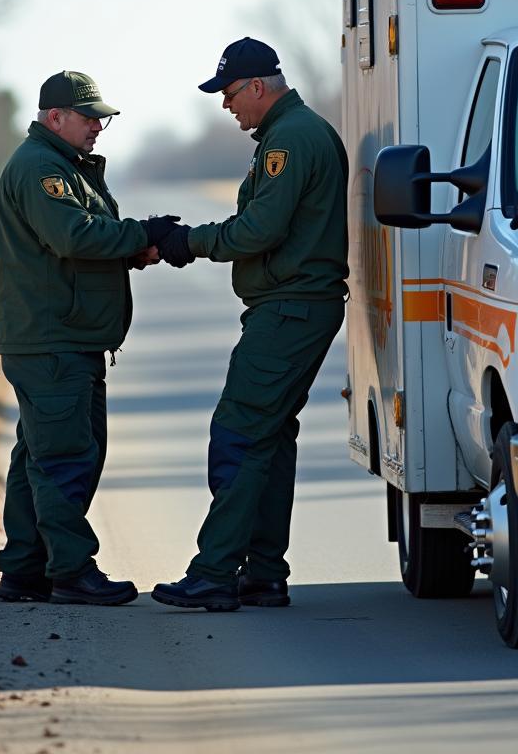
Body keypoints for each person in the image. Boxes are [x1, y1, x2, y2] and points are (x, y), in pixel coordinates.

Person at [151, 38, 349, 611]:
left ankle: (214, 573)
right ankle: (262, 572)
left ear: (259, 86)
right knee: (269, 439)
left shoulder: (290, 139)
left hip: (289, 309)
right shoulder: (291, 134)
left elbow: (259, 228)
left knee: (238, 434)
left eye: (231, 94)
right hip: (296, 305)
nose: (226, 105)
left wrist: (189, 242)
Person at [0, 70, 183, 605]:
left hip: (62, 338)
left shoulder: (62, 167)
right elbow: (71, 235)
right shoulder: (40, 169)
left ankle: (25, 571)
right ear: (55, 117)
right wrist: (143, 233)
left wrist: (130, 250)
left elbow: (80, 245)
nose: (99, 126)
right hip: (53, 341)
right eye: (89, 116)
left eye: (101, 117)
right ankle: (72, 573)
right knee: (65, 459)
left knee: (42, 455)